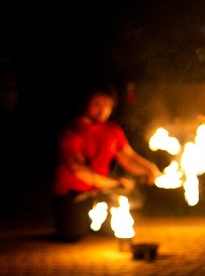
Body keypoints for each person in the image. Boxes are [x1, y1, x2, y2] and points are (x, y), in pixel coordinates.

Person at [52, 83, 163, 242]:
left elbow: (128, 157)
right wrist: (116, 183)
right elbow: (78, 171)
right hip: (72, 194)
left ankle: (93, 224)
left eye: (107, 106)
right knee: (72, 235)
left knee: (115, 226)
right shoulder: (72, 131)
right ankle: (79, 223)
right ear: (85, 103)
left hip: (100, 193)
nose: (102, 110)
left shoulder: (112, 129)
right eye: (97, 104)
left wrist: (150, 169)